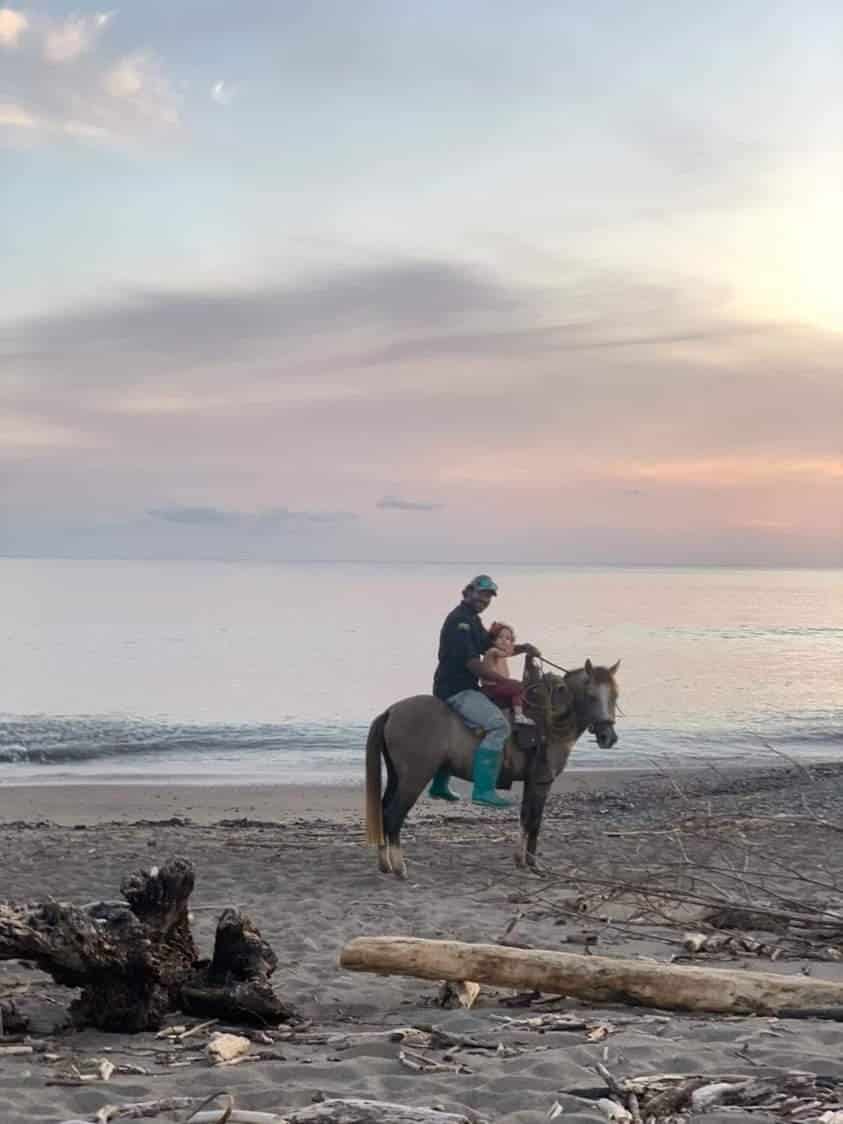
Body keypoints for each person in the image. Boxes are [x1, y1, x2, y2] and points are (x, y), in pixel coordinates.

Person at [429, 575, 540, 807]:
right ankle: (483, 791)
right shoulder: (460, 622)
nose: (485, 599)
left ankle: (439, 785)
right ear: (468, 591)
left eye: (489, 596)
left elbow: (489, 647)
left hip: (465, 686)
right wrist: (503, 681)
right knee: (499, 726)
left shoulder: (472, 618)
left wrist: (523, 648)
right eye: (481, 594)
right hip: (456, 690)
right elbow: (472, 663)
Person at [480, 622, 535, 727]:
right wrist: (524, 648)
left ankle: (517, 716)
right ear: (493, 640)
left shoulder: (502, 655)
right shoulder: (492, 651)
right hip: (491, 688)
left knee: (521, 693)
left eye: (508, 638)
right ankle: (518, 716)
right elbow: (507, 653)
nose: (504, 640)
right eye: (500, 637)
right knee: (518, 686)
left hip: (500, 687)